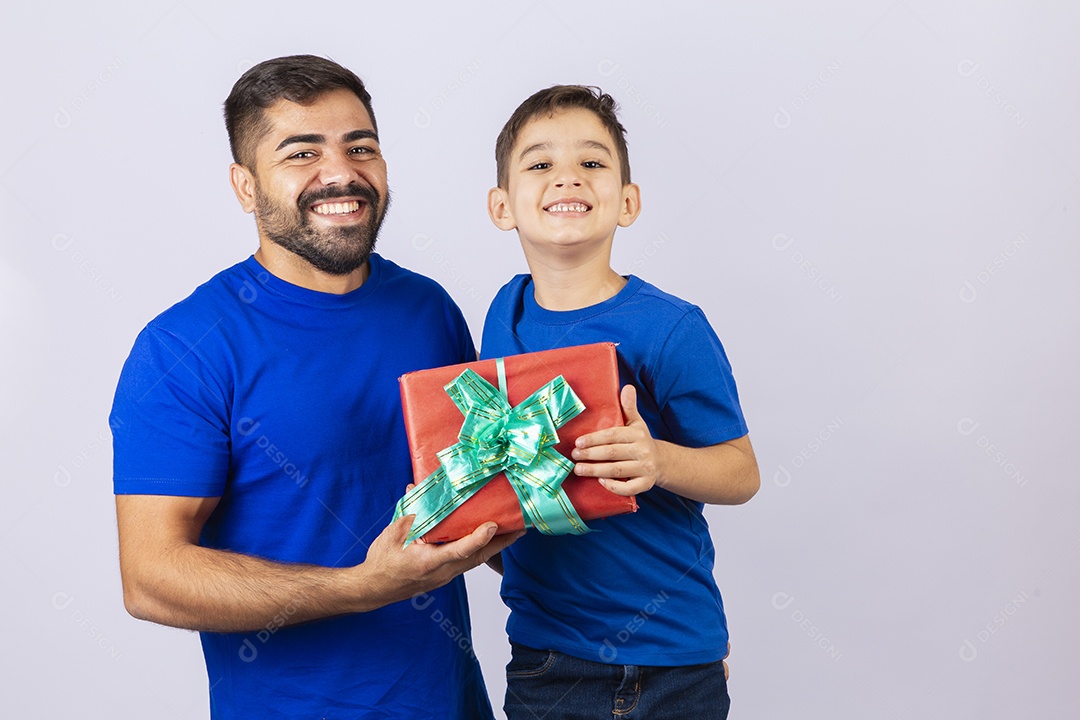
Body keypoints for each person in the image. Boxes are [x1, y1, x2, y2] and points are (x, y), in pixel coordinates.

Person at [109, 55, 518, 720]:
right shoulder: (184, 347)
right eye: (302, 152)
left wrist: (647, 639)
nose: (341, 173)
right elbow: (150, 578)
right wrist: (362, 587)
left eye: (362, 147)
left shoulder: (428, 309)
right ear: (246, 186)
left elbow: (484, 505)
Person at [481, 85, 761, 720]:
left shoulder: (672, 327)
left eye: (593, 161)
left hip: (670, 658)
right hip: (545, 654)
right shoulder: (503, 314)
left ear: (628, 202)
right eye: (540, 163)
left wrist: (659, 460)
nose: (567, 177)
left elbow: (742, 473)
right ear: (502, 206)